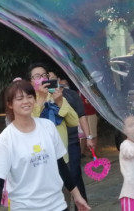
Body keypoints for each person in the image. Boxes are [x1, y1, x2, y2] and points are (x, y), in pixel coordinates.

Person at [0, 78, 89, 211]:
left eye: (29, 97)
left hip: (57, 205)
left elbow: (61, 165)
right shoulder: (6, 139)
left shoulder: (48, 127)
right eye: (19, 98)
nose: (26, 101)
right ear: (10, 104)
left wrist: (77, 196)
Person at [50, 69, 89, 208]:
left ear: (58, 79)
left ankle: (82, 205)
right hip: (51, 146)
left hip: (71, 142)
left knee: (74, 175)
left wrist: (88, 136)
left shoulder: (70, 95)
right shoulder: (39, 100)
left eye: (51, 78)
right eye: (45, 78)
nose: (49, 81)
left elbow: (80, 117)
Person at [27, 63, 79, 162]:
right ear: (31, 82)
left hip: (61, 155)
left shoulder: (57, 96)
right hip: (40, 157)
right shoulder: (28, 100)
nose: (42, 78)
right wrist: (41, 98)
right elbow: (30, 121)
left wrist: (60, 102)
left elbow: (74, 122)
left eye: (44, 75)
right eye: (37, 76)